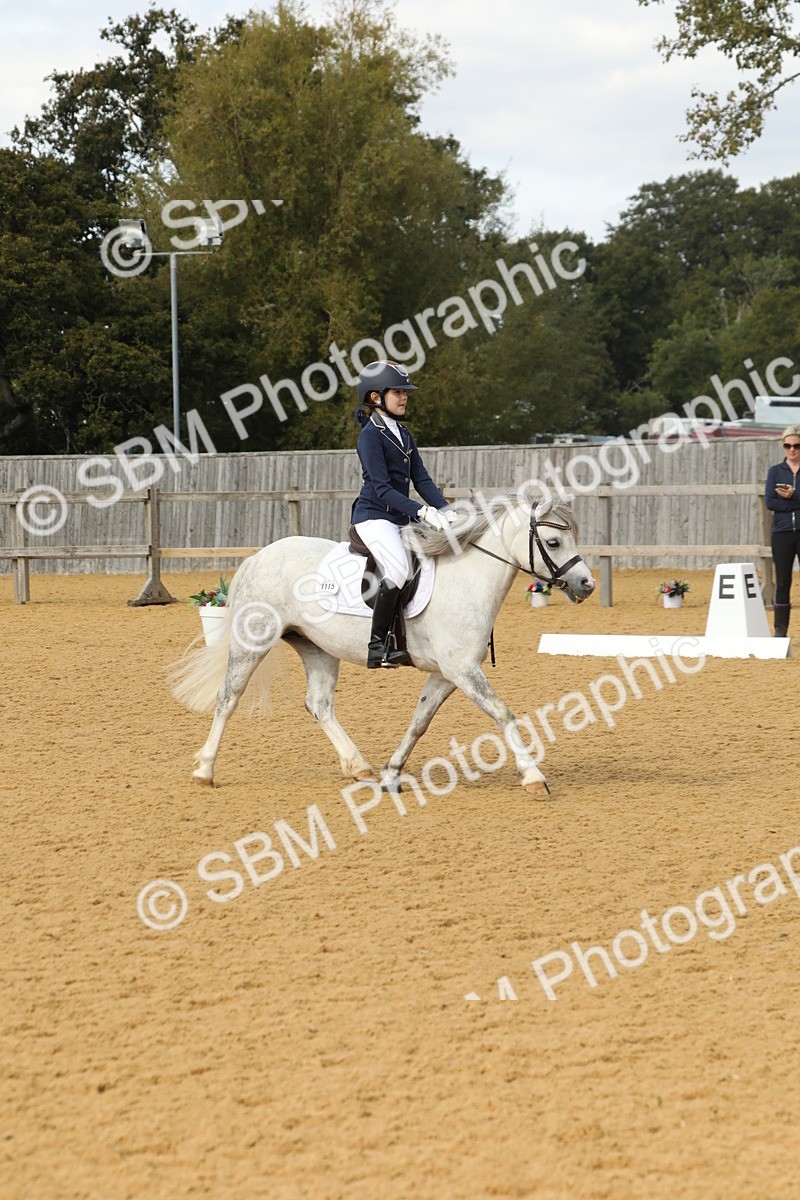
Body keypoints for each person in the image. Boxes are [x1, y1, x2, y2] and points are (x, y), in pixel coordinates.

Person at [350, 360, 456, 667]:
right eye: (397, 392)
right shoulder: (370, 436)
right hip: (373, 517)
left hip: (399, 516)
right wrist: (423, 512)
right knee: (397, 570)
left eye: (405, 392)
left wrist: (446, 511)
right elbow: (382, 488)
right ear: (375, 397)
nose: (404, 397)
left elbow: (420, 479)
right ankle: (377, 645)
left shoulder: (404, 434)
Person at [765, 425, 800, 637]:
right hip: (782, 533)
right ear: (783, 446)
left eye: (796, 445)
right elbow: (770, 502)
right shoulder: (775, 471)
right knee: (783, 581)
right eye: (788, 445)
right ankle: (780, 631)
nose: (792, 449)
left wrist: (792, 496)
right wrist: (795, 504)